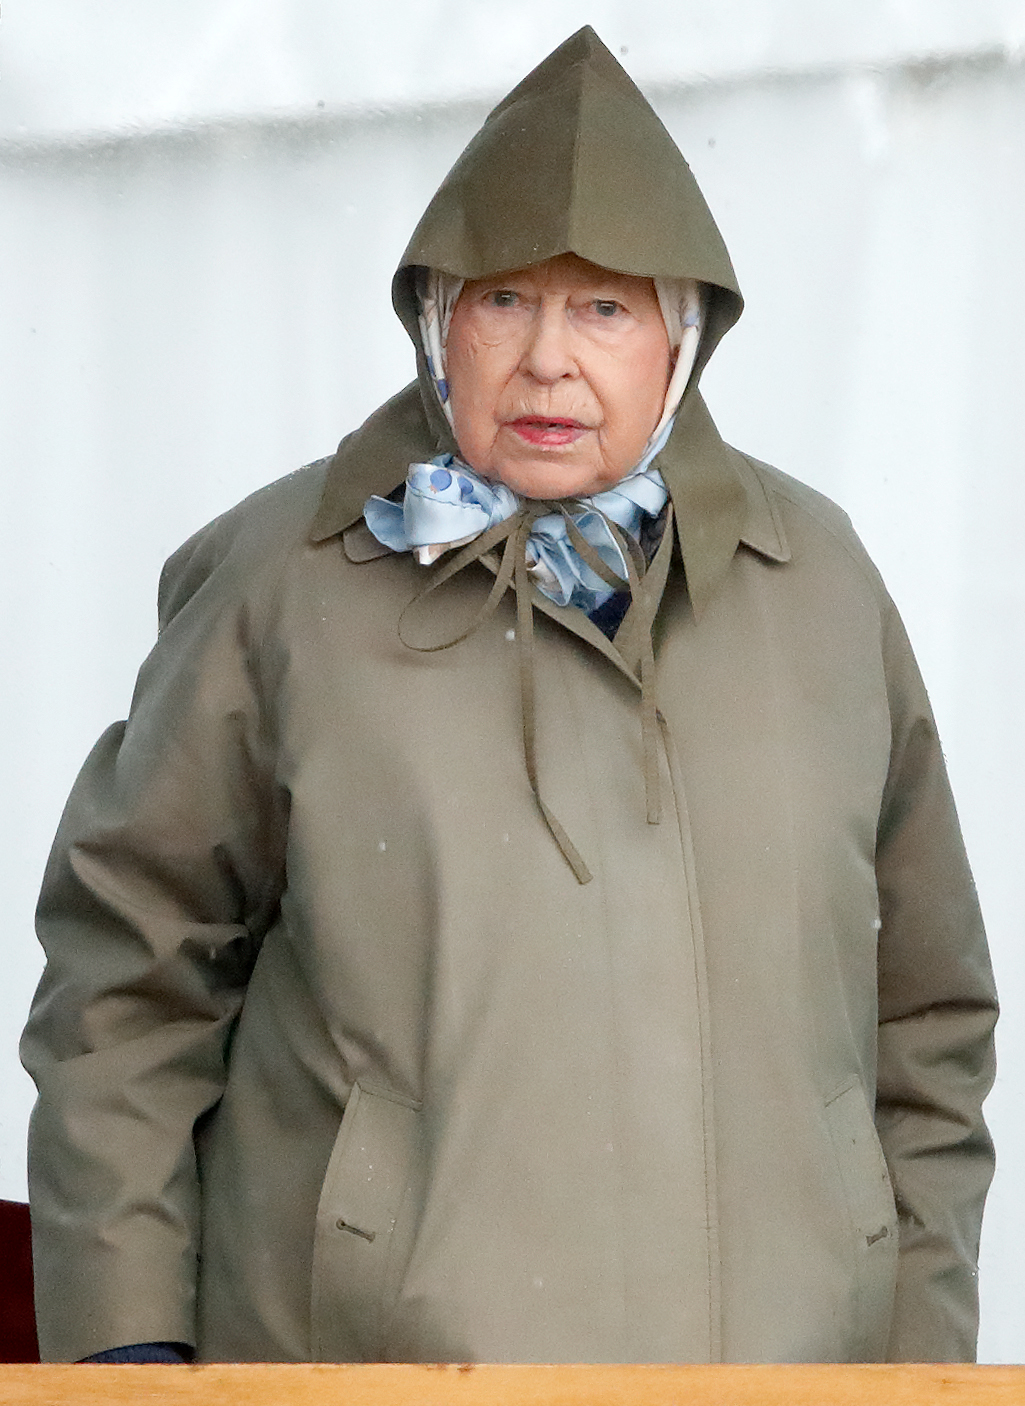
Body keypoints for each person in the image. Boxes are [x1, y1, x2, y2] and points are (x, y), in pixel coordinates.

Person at [21, 27, 997, 1366]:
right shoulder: (284, 587)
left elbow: (928, 1021)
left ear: (683, 335)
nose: (548, 358)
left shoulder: (818, 587)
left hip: (786, 1380)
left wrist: (919, 1356)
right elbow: (127, 981)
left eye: (604, 308)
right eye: (503, 301)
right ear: (437, 319)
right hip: (368, 1381)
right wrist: (124, 1350)